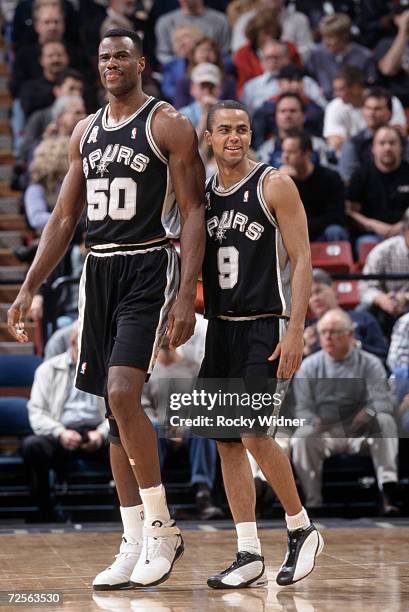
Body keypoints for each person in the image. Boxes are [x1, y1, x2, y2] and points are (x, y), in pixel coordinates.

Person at [8, 27, 205, 590]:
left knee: (123, 392)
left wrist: (188, 291)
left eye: (122, 55)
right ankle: (133, 537)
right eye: (104, 57)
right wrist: (27, 287)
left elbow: (192, 211)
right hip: (98, 270)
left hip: (148, 264)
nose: (112, 63)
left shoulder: (168, 123)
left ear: (141, 62)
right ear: (96, 67)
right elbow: (64, 219)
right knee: (112, 414)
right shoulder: (85, 131)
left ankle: (163, 527)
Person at [200, 99, 323, 588]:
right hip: (220, 326)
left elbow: (303, 259)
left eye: (243, 130)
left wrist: (295, 328)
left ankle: (301, 527)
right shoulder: (201, 195)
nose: (235, 137)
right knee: (227, 441)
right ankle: (248, 550)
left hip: (263, 324)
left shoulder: (274, 183)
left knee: (253, 433)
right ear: (208, 137)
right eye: (225, 130)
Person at [292, 309, 399, 516]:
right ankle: (313, 502)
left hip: (361, 432)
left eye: (334, 332)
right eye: (323, 332)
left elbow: (384, 401)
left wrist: (369, 411)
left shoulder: (370, 363)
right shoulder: (309, 366)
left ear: (350, 335)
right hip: (326, 432)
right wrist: (313, 421)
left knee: (385, 421)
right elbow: (301, 410)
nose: (328, 337)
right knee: (302, 436)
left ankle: (388, 491)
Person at [21, 321, 109, 522]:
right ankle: (45, 510)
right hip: (61, 430)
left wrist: (102, 433)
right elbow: (36, 412)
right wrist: (60, 432)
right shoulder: (48, 369)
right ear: (72, 342)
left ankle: (120, 511)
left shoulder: (107, 368)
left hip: (97, 430)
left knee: (123, 444)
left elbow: (117, 412)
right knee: (32, 446)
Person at [279, 129, 348, 242]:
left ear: (307, 154)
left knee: (335, 231)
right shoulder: (280, 180)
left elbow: (337, 216)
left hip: (322, 233)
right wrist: (283, 183)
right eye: (284, 151)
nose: (285, 157)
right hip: (293, 235)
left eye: (291, 152)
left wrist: (304, 226)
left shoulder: (330, 178)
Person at [306, 268, 388, 361]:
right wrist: (307, 350)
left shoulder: (363, 318)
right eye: (310, 295)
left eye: (318, 291)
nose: (315, 298)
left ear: (334, 288)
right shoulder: (308, 331)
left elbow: (383, 357)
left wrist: (357, 346)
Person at [347, 126, 409, 243]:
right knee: (366, 243)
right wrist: (373, 225)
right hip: (371, 235)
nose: (387, 148)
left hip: (406, 233)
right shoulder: (361, 175)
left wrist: (403, 225)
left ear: (401, 147)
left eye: (392, 143)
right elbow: (351, 211)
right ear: (373, 148)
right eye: (382, 143)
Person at [339, 87, 409, 184]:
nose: (371, 113)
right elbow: (347, 180)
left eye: (377, 109)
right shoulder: (353, 144)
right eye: (368, 108)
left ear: (390, 113)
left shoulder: (403, 141)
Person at [306, 13, 376, 101]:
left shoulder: (365, 56)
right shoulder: (317, 54)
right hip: (323, 103)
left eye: (330, 37)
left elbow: (370, 88)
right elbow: (309, 79)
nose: (326, 42)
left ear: (344, 36)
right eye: (324, 37)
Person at [155, 0, 230, 66]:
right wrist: (182, 63)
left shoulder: (220, 20)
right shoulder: (165, 22)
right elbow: (163, 54)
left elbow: (225, 52)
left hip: (211, 70)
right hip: (178, 73)